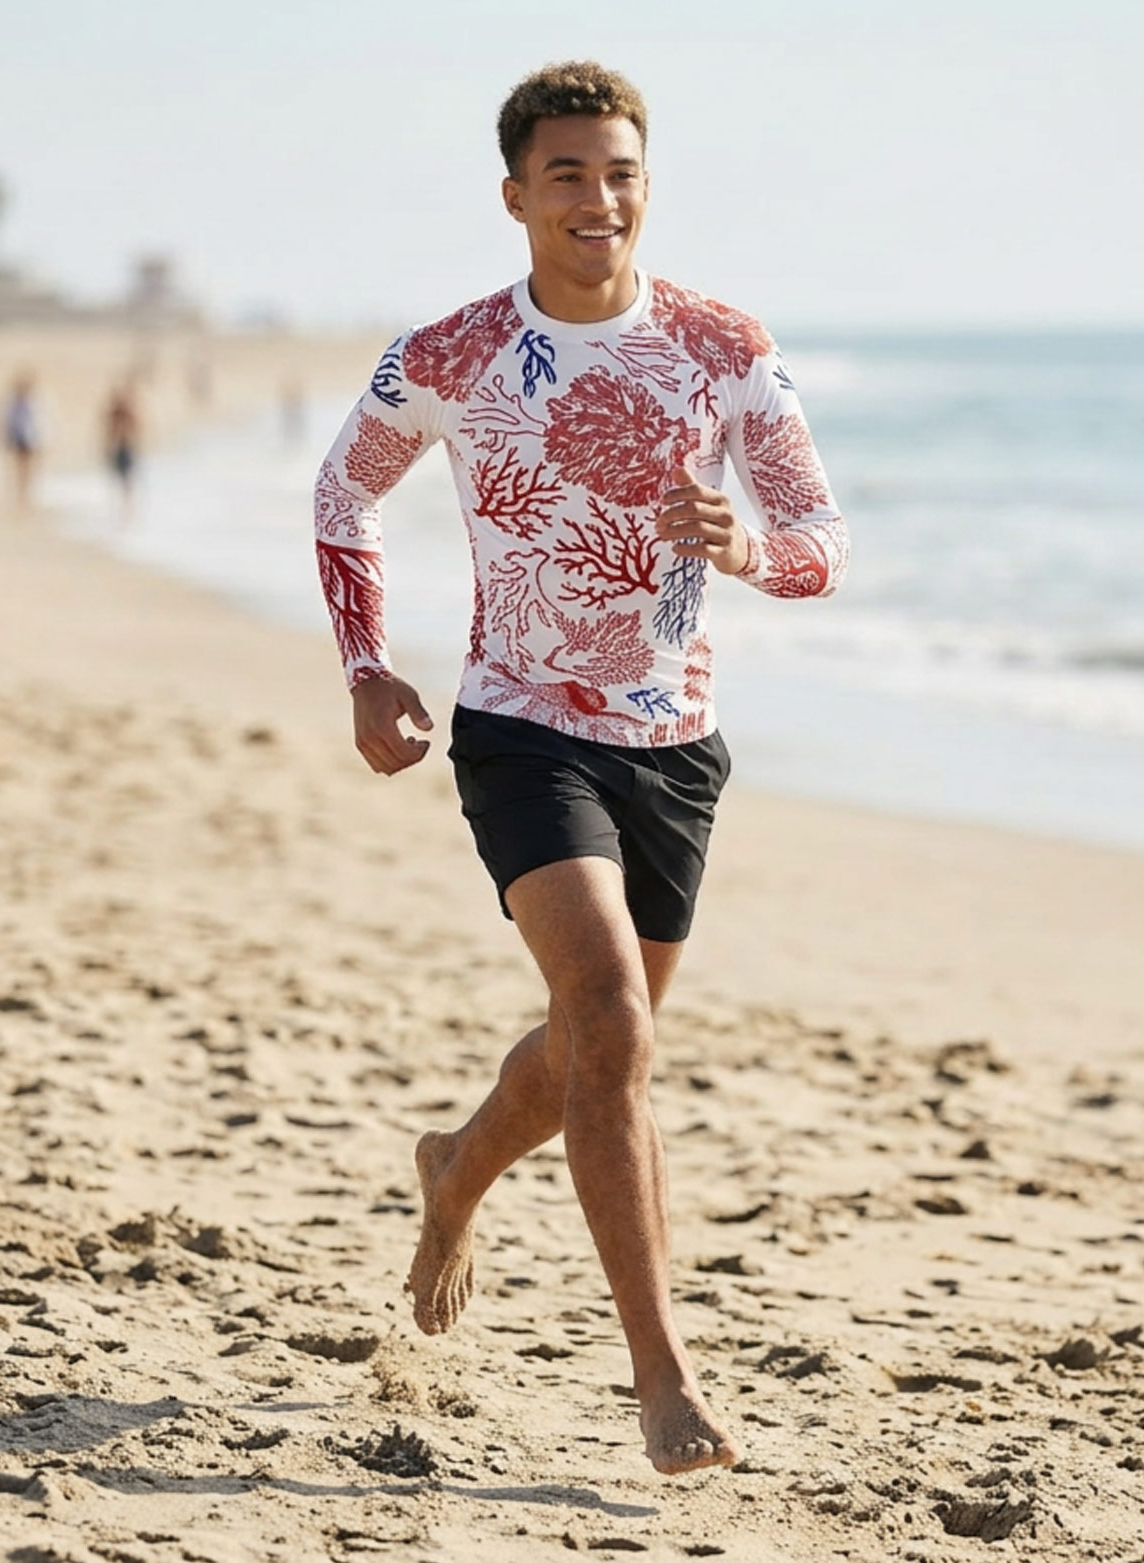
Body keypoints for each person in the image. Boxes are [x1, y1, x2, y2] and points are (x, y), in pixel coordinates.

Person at [314, 60, 848, 1476]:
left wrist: (743, 546)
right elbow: (340, 490)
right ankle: (663, 1377)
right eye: (565, 174)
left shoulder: (724, 344)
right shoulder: (450, 352)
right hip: (517, 727)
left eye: (618, 172)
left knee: (586, 1053)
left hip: (674, 744)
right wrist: (368, 665)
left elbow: (819, 541)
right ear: (515, 196)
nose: (596, 198)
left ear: (644, 186)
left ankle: (452, 1168)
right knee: (607, 1014)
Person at [2, 372, 41, 508]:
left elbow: (39, 423)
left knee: (28, 467)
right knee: (19, 467)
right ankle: (20, 493)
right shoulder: (12, 403)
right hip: (17, 438)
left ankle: (26, 492)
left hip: (30, 439)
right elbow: (7, 421)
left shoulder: (34, 402)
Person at [103, 382, 141, 510]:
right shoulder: (114, 413)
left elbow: (137, 430)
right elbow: (108, 432)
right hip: (118, 449)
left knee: (127, 480)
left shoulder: (128, 413)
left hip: (127, 449)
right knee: (120, 479)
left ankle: (128, 507)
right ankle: (122, 506)